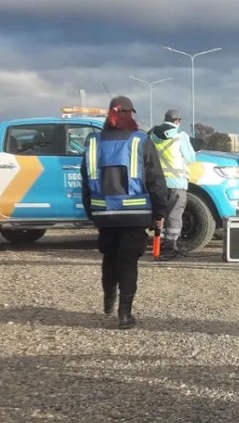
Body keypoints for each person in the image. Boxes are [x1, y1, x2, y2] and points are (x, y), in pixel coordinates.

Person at [81, 96, 169, 329]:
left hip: (104, 213)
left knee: (110, 259)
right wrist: (161, 210)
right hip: (135, 213)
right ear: (130, 114)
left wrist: (91, 212)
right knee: (128, 262)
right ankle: (125, 314)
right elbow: (156, 179)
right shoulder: (140, 141)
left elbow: (85, 180)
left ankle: (109, 299)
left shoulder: (92, 142)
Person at [148, 109, 196, 259]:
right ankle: (170, 247)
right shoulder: (180, 136)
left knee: (159, 214)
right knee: (175, 215)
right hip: (176, 182)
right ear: (177, 121)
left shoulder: (152, 134)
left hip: (156, 182)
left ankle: (159, 244)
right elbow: (190, 159)